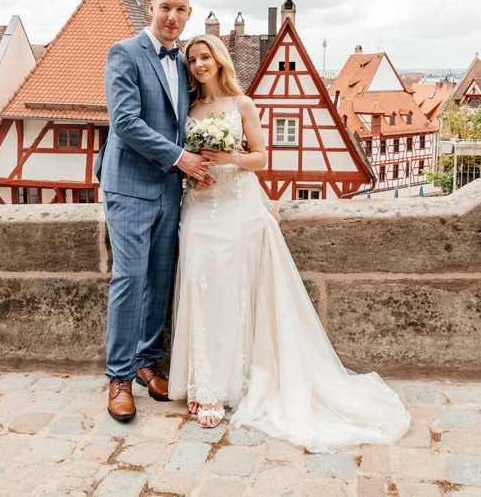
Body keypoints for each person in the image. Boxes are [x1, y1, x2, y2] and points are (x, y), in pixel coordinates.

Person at [168, 34, 411, 452]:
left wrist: (229, 158)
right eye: (192, 60)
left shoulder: (242, 105)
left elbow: (261, 157)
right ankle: (201, 379)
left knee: (233, 292)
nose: (199, 65)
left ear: (219, 60)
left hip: (237, 208)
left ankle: (225, 386)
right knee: (197, 287)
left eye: (205, 57)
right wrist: (194, 170)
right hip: (199, 206)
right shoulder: (186, 110)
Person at [93, 0, 215, 422]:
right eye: (166, 7)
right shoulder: (124, 52)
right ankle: (119, 376)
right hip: (128, 185)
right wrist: (181, 158)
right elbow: (124, 121)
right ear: (152, 7)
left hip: (169, 187)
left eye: (181, 11)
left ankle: (147, 363)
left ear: (188, 14)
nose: (173, 17)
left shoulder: (183, 62)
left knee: (161, 279)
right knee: (130, 279)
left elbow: (185, 121)